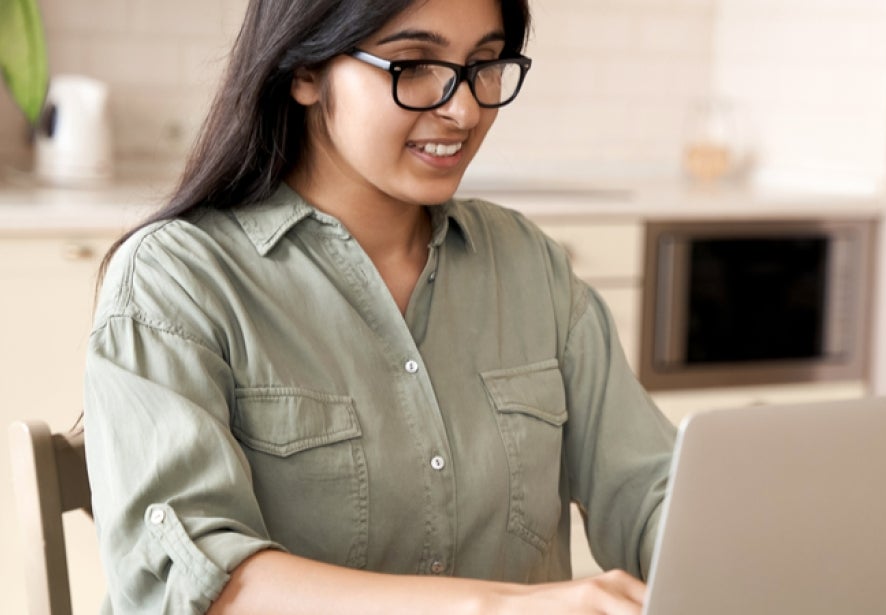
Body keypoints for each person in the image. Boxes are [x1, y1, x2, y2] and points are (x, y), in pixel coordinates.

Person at [83, 0, 677, 612]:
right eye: (414, 63)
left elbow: (652, 491)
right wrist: (496, 608)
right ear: (305, 72)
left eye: (484, 63)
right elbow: (185, 583)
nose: (463, 108)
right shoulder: (177, 279)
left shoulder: (528, 265)